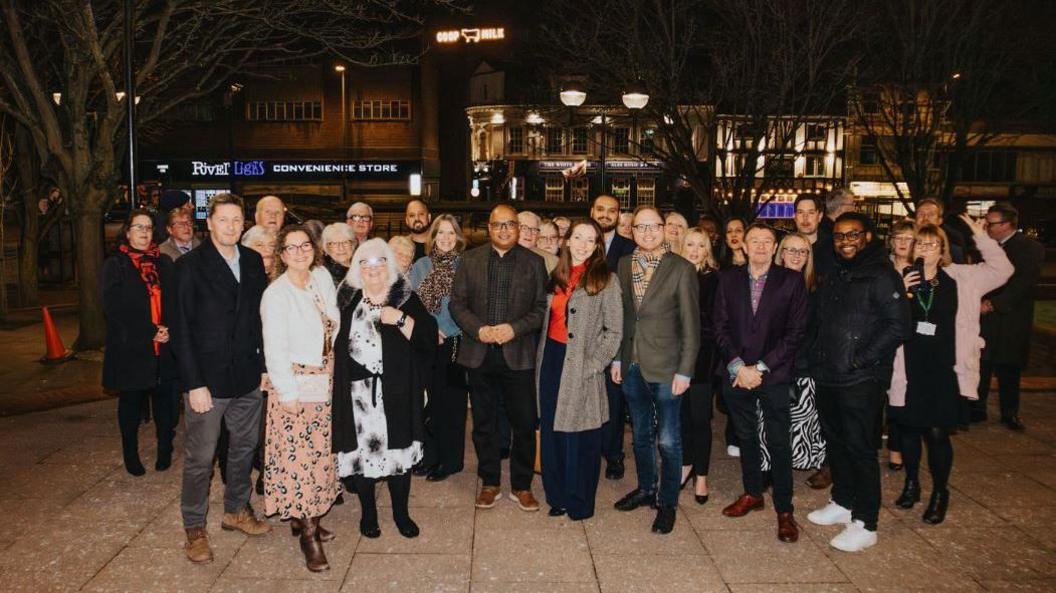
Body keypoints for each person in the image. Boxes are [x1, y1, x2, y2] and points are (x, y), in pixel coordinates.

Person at [889, 215, 1012, 525]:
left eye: (933, 244)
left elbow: (1004, 270)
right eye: (921, 242)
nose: (926, 248)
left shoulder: (962, 277)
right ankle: (912, 483)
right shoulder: (901, 276)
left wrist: (981, 237)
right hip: (910, 365)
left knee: (937, 432)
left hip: (945, 368)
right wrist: (898, 292)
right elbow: (884, 317)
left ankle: (940, 492)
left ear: (943, 248)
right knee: (908, 429)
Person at [174, 193, 271, 564]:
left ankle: (235, 510)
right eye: (223, 220)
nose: (231, 226)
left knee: (244, 449)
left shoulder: (251, 261)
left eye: (236, 220)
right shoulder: (189, 267)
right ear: (209, 223)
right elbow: (181, 331)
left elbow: (257, 319)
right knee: (200, 457)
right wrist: (193, 384)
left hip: (246, 376)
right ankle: (194, 528)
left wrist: (263, 367)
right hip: (207, 383)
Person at [807, 212, 910, 553]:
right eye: (839, 236)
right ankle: (843, 501)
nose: (845, 241)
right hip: (829, 375)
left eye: (852, 235)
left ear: (866, 236)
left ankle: (866, 522)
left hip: (861, 379)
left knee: (861, 448)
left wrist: (859, 358)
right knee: (836, 442)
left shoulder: (882, 275)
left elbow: (897, 326)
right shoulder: (836, 273)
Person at [333, 239, 438, 539]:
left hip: (397, 391)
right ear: (357, 269)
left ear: (389, 267)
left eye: (380, 263)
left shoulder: (404, 298)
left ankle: (401, 514)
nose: (373, 269)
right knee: (363, 456)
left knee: (399, 455)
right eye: (366, 264)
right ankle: (368, 514)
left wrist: (401, 319)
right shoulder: (347, 302)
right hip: (357, 396)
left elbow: (428, 339)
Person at [449, 204, 548, 512]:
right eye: (497, 225)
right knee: (483, 424)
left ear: (518, 228)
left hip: (518, 355)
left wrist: (513, 329)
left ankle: (522, 485)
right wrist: (479, 330)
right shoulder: (469, 260)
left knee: (524, 422)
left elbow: (540, 310)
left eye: (510, 224)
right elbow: (457, 304)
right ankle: (489, 482)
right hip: (480, 354)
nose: (504, 230)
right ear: (489, 228)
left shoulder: (534, 262)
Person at [713, 224, 808, 544]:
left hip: (775, 374)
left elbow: (795, 334)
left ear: (775, 246)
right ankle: (753, 493)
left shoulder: (791, 281)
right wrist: (739, 366)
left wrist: (762, 368)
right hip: (737, 373)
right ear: (744, 245)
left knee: (779, 442)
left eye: (768, 242)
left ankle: (784, 510)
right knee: (747, 436)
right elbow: (720, 327)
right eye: (755, 241)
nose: (761, 246)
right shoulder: (728, 279)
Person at [611, 206, 699, 535]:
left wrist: (685, 371)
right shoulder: (623, 264)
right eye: (640, 227)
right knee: (642, 436)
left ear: (664, 229)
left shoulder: (681, 268)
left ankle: (667, 502)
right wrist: (619, 359)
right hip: (633, 365)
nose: (647, 233)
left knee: (669, 440)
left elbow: (692, 326)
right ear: (631, 231)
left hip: (667, 368)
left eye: (654, 227)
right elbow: (624, 316)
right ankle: (646, 488)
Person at [260, 225, 340, 571]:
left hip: (325, 377)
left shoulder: (321, 277)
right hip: (295, 381)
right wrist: (287, 392)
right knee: (299, 459)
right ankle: (308, 536)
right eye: (291, 248)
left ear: (314, 249)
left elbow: (332, 323)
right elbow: (274, 348)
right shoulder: (275, 294)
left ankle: (307, 517)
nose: (299, 252)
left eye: (304, 246)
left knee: (320, 453)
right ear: (281, 255)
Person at [536, 219, 623, 520]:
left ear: (598, 246)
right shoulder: (555, 276)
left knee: (581, 436)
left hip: (582, 365)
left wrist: (595, 364)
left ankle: (580, 502)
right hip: (551, 361)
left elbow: (614, 331)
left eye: (590, 240)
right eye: (578, 237)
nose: (583, 244)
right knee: (552, 431)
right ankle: (557, 496)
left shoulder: (606, 280)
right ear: (567, 240)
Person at [102, 209, 178, 476]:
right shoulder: (116, 265)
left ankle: (165, 450)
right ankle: (131, 455)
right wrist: (149, 331)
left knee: (166, 406)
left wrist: (168, 329)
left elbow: (176, 302)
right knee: (131, 407)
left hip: (164, 346)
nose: (144, 233)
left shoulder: (164, 263)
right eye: (138, 227)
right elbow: (114, 308)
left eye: (148, 228)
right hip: (132, 348)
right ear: (127, 231)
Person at [410, 215, 470, 482]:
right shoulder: (421, 266)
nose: (445, 238)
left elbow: (468, 305)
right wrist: (431, 329)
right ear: (432, 237)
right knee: (430, 404)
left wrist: (448, 329)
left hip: (456, 341)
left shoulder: (465, 266)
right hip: (426, 342)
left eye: (451, 233)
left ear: (458, 237)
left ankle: (451, 460)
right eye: (440, 233)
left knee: (452, 404)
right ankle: (431, 456)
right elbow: (413, 304)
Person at [976, 202, 1046, 431]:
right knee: (981, 364)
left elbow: (1022, 283)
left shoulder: (1030, 248)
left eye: (991, 223)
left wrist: (993, 303)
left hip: (1011, 318)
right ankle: (977, 409)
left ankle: (1010, 412)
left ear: (1007, 224)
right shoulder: (984, 246)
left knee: (1008, 368)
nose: (987, 227)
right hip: (985, 317)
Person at [764, 233, 827, 484]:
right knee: (769, 420)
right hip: (770, 364)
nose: (796, 256)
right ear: (780, 253)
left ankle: (796, 463)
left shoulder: (817, 287)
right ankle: (769, 467)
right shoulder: (766, 284)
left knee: (801, 421)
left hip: (804, 366)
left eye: (802, 251)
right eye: (791, 250)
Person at [592, 194, 636, 479]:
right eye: (600, 210)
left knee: (613, 400)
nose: (605, 215)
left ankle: (614, 455)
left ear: (619, 216)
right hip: (580, 335)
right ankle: (587, 450)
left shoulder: (629, 249)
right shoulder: (576, 242)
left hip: (614, 334)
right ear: (591, 211)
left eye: (612, 211)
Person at [678, 228, 718, 504]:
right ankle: (685, 464)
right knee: (681, 417)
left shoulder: (714, 279)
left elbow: (717, 322)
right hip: (675, 357)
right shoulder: (674, 273)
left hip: (703, 358)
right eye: (689, 244)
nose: (694, 250)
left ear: (707, 250)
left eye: (700, 245)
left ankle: (700, 475)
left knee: (701, 419)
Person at [885, 220, 917, 472]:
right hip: (881, 340)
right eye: (899, 237)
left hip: (910, 344)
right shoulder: (882, 269)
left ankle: (896, 449)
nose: (903, 243)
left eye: (909, 238)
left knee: (901, 398)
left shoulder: (922, 272)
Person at [914, 198, 967, 264]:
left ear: (940, 221)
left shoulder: (953, 248)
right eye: (921, 214)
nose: (925, 218)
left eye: (931, 214)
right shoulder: (905, 242)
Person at [321, 222, 357, 286]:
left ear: (353, 244)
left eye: (345, 242)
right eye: (335, 243)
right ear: (327, 247)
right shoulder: (322, 273)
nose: (341, 248)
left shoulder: (362, 266)